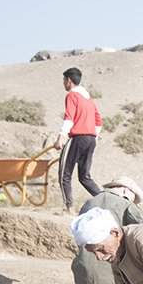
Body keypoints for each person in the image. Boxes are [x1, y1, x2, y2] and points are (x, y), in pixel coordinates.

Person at [70, 177, 143, 284]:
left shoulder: (90, 202)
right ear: (125, 191)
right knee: (123, 279)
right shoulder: (127, 205)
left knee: (89, 283)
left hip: (83, 268)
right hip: (110, 267)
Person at [53, 67, 103, 212]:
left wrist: (61, 137)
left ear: (69, 80)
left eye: (64, 80)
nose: (63, 83)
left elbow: (69, 117)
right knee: (85, 176)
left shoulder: (72, 96)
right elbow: (98, 121)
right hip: (91, 139)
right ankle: (105, 199)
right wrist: (94, 135)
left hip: (78, 138)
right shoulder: (89, 99)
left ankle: (68, 207)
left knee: (64, 174)